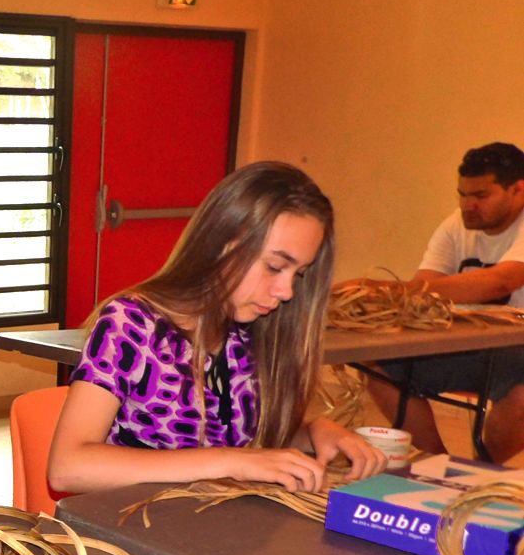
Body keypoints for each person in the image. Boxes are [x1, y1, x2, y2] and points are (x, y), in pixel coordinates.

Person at [48, 161, 387, 495]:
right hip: (129, 534)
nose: (286, 292)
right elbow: (67, 468)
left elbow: (246, 435)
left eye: (298, 274)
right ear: (220, 243)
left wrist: (315, 431)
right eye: (274, 266)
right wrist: (229, 461)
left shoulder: (250, 332)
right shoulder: (132, 323)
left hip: (212, 532)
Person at [363, 142, 524, 461]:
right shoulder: (456, 224)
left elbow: (501, 281)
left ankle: (481, 471)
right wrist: (381, 297)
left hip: (518, 351)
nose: (468, 205)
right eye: (463, 194)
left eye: (481, 196)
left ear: (518, 190)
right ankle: (437, 464)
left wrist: (385, 290)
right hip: (466, 346)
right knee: (377, 365)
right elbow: (425, 288)